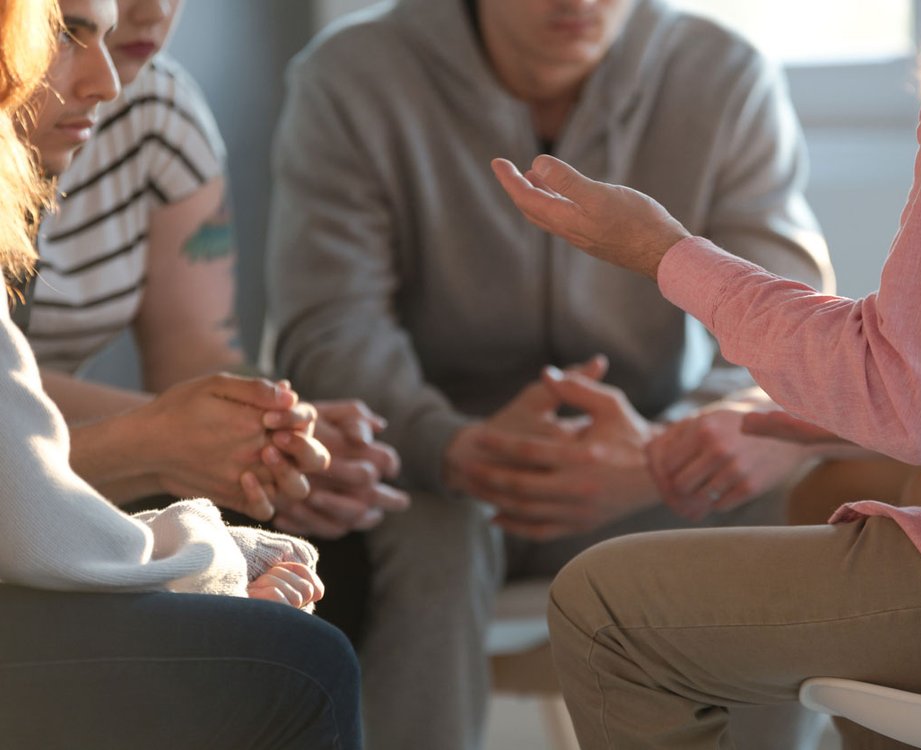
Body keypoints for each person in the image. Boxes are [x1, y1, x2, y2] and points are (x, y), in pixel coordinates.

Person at [266, 0, 834, 746]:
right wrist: (450, 446)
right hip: (433, 470)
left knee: (790, 492)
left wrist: (668, 450)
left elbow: (793, 329)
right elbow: (331, 325)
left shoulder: (722, 74)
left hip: (646, 468)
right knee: (423, 529)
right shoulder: (352, 75)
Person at [491, 0, 921, 746]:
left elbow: (915, 390)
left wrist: (665, 253)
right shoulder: (364, 73)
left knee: (604, 610)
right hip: (472, 464)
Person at [0, 0, 361, 746]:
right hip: (28, 487)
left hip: (33, 477)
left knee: (322, 529)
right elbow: (20, 501)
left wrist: (264, 432)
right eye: (66, 31)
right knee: (301, 663)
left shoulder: (162, 111)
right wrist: (210, 557)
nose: (105, 79)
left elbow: (198, 365)